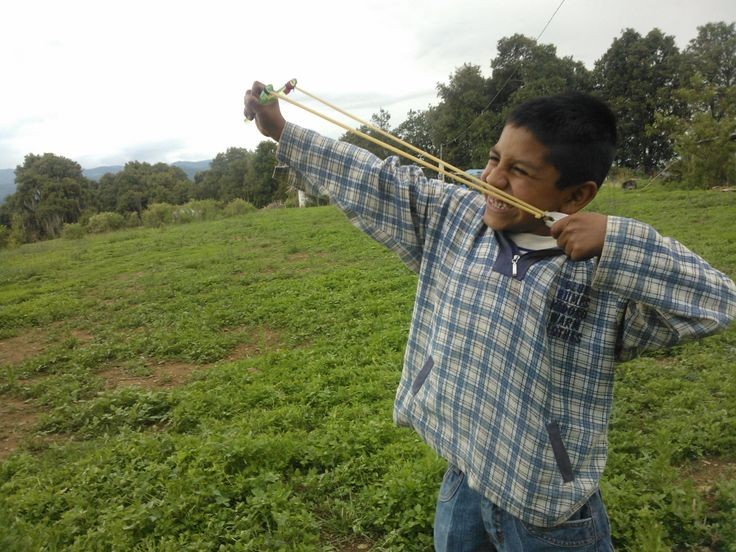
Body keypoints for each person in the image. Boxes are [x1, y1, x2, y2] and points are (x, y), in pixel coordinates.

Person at [244, 82, 736, 551]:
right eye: (494, 158)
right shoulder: (455, 218)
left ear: (576, 196)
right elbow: (378, 180)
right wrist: (284, 130)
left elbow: (718, 302)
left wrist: (622, 241)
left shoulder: (605, 274)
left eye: (520, 172)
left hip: (543, 500)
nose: (493, 179)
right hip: (466, 469)